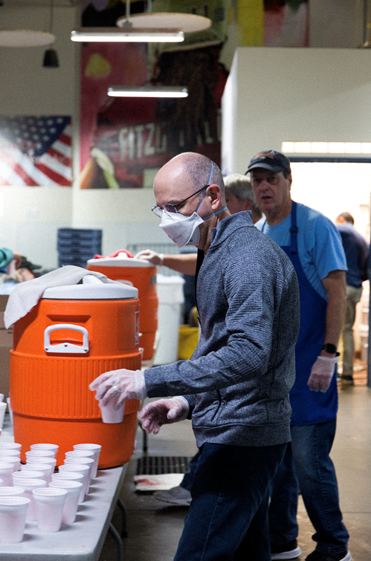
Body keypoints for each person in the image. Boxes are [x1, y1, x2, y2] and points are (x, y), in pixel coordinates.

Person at [89, 152, 300, 561]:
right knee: (247, 553)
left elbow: (249, 353)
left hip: (242, 437)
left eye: (176, 207)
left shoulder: (247, 258)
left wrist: (148, 381)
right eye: (161, 209)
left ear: (213, 195)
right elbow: (222, 346)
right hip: (235, 428)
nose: (167, 220)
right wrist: (186, 401)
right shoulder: (217, 250)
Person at [247, 150, 350, 561]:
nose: (264, 187)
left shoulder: (313, 226)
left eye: (272, 178)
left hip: (311, 367)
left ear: (289, 180)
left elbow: (337, 291)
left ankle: (333, 544)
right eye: (257, 181)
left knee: (310, 462)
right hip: (273, 372)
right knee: (278, 462)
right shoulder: (257, 233)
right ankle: (282, 540)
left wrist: (329, 352)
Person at [335, 212, 369, 384]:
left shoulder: (341, 229)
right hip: (356, 288)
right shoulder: (362, 240)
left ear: (342, 220)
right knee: (347, 328)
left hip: (342, 285)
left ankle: (335, 370)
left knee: (333, 327)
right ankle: (347, 372)